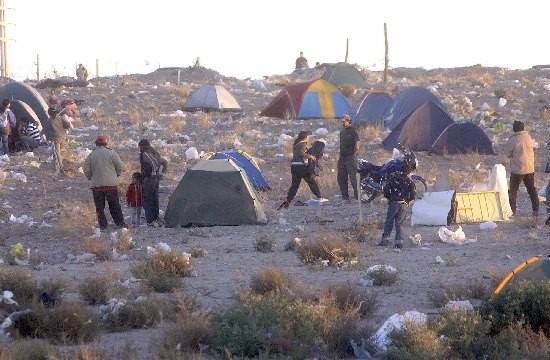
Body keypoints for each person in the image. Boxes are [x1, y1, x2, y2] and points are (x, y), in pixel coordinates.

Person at [83, 135, 127, 231]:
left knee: (99, 208)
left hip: (97, 186)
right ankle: (120, 223)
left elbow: (86, 169)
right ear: (106, 143)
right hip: (111, 185)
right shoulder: (112, 153)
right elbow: (120, 166)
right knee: (114, 205)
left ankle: (103, 226)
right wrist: (116, 175)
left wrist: (91, 177)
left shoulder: (91, 155)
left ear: (96, 143)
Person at [277, 131, 325, 210]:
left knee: (294, 185)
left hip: (294, 166)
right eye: (308, 136)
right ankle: (320, 197)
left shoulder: (296, 144)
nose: (309, 138)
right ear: (305, 137)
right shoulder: (303, 144)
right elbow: (301, 153)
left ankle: (288, 201)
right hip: (301, 166)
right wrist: (310, 156)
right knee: (311, 181)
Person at [378, 163, 417, 249]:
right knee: (399, 224)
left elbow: (386, 190)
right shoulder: (410, 182)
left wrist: (389, 198)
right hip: (403, 204)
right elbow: (413, 195)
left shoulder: (393, 178)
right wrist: (407, 201)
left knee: (389, 221)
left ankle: (385, 240)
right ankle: (399, 242)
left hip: (394, 202)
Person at [505, 120, 539, 217]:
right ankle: (536, 209)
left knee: (513, 191)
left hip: (518, 169)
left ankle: (512, 210)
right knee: (531, 189)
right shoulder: (528, 138)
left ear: (514, 128)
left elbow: (507, 154)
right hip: (529, 168)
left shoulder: (513, 140)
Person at [138, 139, 168, 226]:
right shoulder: (155, 153)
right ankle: (155, 217)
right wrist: (161, 173)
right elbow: (165, 162)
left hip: (150, 178)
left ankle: (150, 220)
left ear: (142, 146)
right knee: (154, 198)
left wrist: (153, 173)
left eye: (139, 146)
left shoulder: (146, 153)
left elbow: (153, 163)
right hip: (156, 179)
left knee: (147, 199)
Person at [337, 114, 360, 202]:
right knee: (341, 178)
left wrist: (354, 154)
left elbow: (357, 143)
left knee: (353, 177)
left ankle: (358, 196)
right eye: (342, 122)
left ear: (348, 121)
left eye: (344, 121)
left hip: (350, 157)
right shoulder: (342, 133)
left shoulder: (353, 131)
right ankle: (345, 197)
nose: (343, 123)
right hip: (342, 157)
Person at [48, 107, 72, 174]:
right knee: (57, 152)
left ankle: (61, 168)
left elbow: (45, 129)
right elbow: (68, 125)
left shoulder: (50, 120)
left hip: (56, 138)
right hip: (63, 138)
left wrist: (40, 135)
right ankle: (55, 165)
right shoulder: (60, 118)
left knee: (57, 153)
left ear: (49, 113)